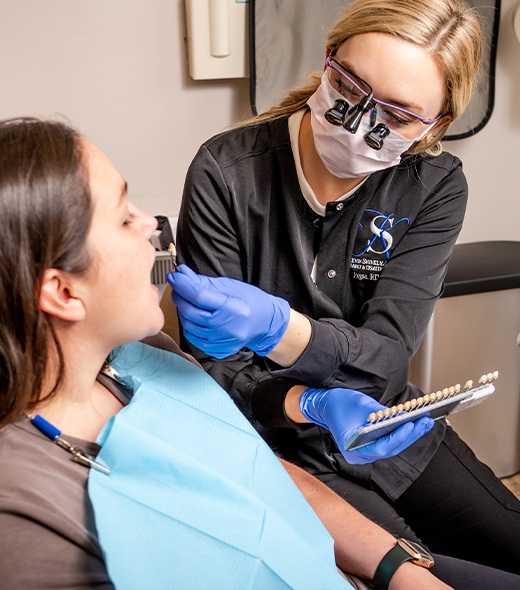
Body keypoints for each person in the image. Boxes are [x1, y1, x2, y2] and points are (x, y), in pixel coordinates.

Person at [6, 118, 519, 590]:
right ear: (63, 293)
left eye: (402, 114)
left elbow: (260, 469)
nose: (152, 224)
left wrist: (397, 568)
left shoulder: (143, 357)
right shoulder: (25, 508)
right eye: (122, 218)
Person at [169, 0, 520, 576]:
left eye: (400, 115)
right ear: (327, 59)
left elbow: (385, 361)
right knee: (424, 572)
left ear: (438, 126)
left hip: (383, 424)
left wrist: (282, 331)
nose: (360, 122)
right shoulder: (227, 170)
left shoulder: (433, 185)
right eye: (349, 86)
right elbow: (211, 370)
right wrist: (304, 401)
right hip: (270, 441)